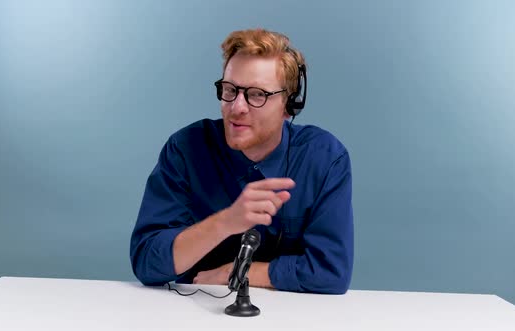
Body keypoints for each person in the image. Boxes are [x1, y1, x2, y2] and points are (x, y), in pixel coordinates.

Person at [130, 28, 354, 294]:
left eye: (257, 94)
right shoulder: (185, 150)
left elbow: (331, 271)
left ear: (288, 105)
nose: (237, 107)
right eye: (230, 89)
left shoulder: (325, 158)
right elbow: (146, 261)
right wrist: (225, 222)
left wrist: (235, 270)